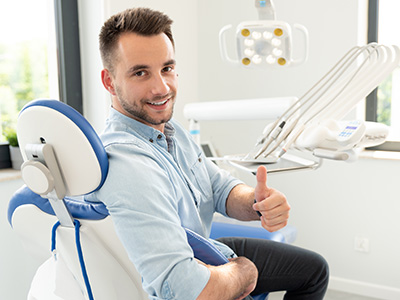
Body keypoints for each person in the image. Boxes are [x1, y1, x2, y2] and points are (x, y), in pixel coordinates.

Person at [87, 7, 329, 300]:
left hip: (205, 246)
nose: (161, 87)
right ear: (109, 81)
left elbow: (216, 187)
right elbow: (183, 288)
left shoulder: (170, 131)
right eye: (140, 73)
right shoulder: (128, 163)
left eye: (167, 68)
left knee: (314, 271)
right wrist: (243, 272)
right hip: (193, 265)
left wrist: (256, 202)